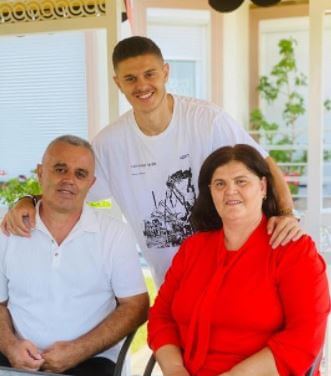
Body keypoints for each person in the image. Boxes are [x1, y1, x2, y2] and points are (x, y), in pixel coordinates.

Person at [1, 36, 303, 287]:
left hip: (231, 268)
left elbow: (263, 163)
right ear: (118, 83)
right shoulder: (110, 143)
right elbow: (71, 192)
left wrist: (286, 213)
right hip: (172, 280)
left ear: (166, 73)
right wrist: (29, 200)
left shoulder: (207, 120)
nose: (142, 85)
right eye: (130, 78)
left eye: (150, 74)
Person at [147, 144, 330, 376]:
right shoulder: (193, 249)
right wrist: (174, 370)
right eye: (220, 184)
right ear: (211, 192)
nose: (230, 191)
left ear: (263, 187)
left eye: (241, 181)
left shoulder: (293, 251)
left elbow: (305, 336)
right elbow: (161, 316)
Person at [0, 135, 149, 376]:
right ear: (41, 173)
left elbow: (137, 306)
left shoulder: (113, 234)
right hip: (15, 360)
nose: (69, 180)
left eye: (80, 174)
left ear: (91, 183)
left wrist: (79, 350)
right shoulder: (9, 231)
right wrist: (10, 346)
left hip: (91, 361)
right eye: (60, 169)